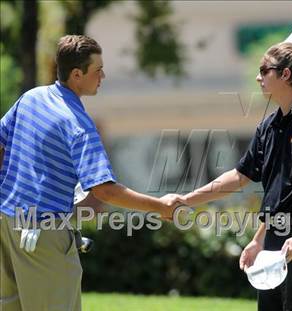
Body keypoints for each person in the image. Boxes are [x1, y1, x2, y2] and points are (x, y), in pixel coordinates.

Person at [0, 35, 176, 311]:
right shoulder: (78, 124)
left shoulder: (31, 98)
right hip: (42, 236)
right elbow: (104, 190)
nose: (103, 75)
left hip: (6, 225)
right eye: (98, 70)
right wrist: (160, 206)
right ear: (77, 74)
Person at [167, 42, 292, 311]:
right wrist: (187, 200)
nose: (258, 77)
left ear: (285, 75)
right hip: (273, 241)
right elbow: (239, 177)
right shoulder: (268, 125)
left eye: (264, 70)